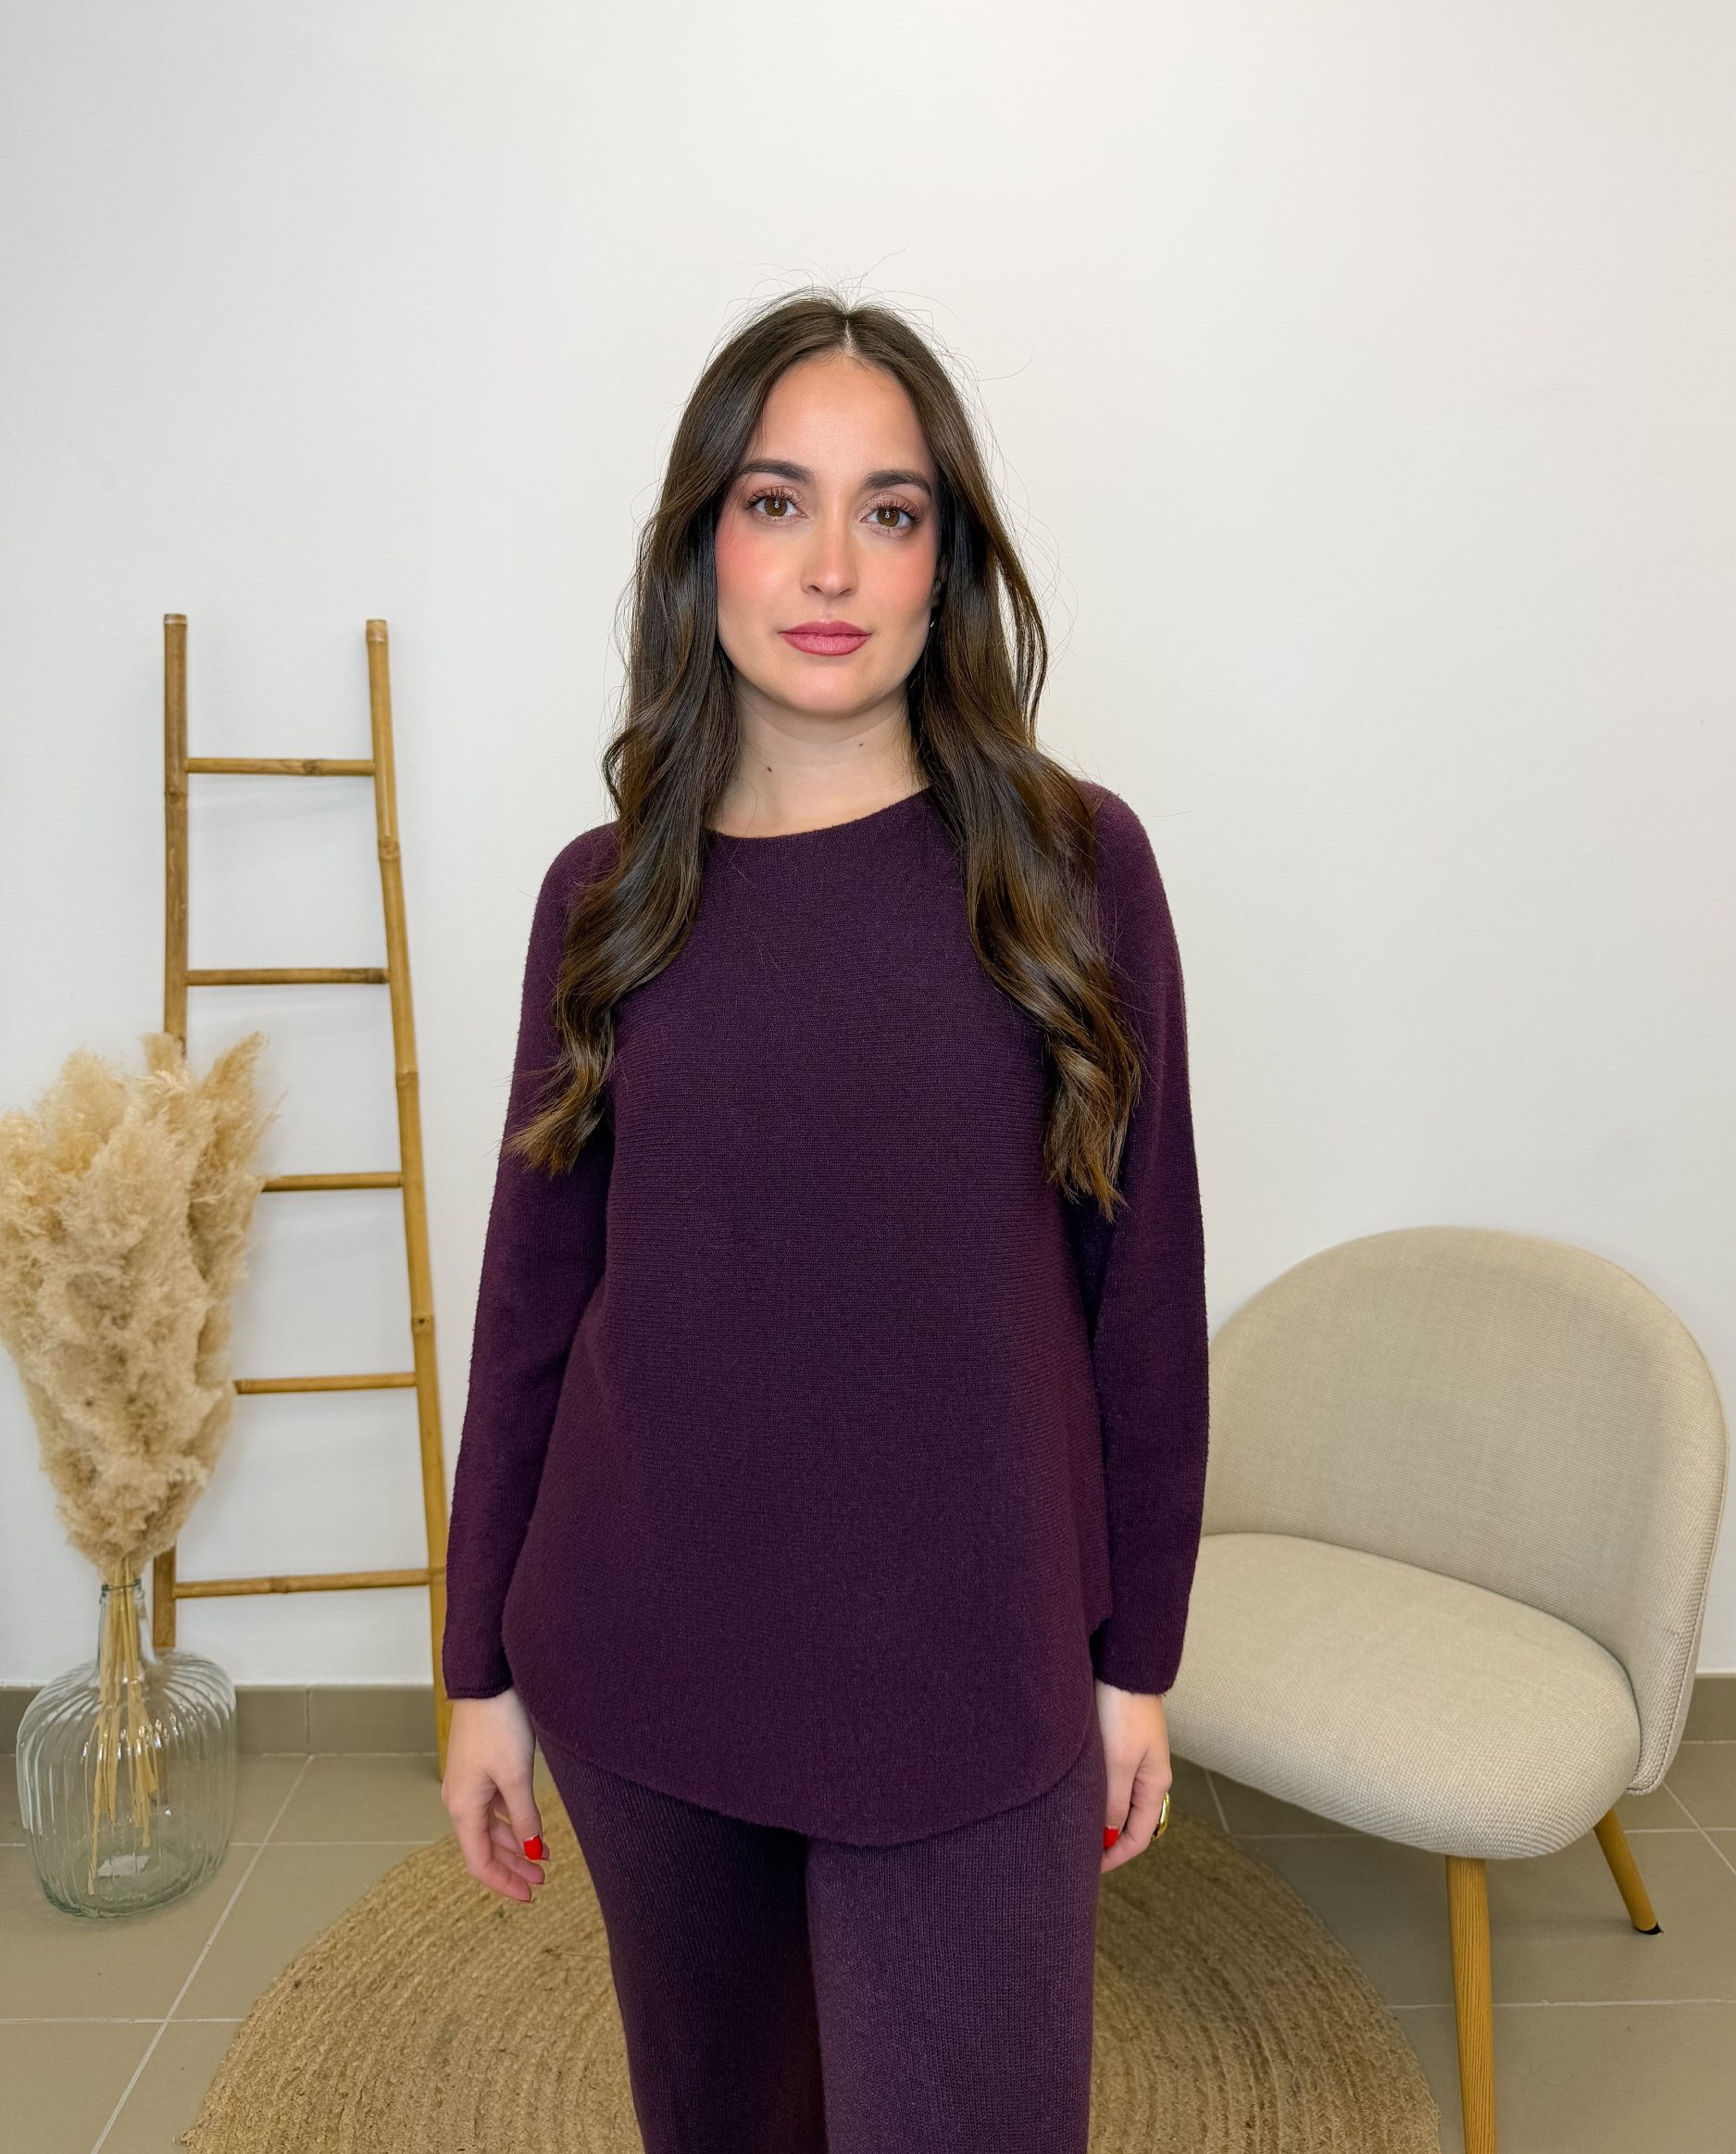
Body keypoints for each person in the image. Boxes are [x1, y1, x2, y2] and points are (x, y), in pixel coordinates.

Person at [438, 285, 1210, 2153]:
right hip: (645, 1654)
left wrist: (1138, 1660)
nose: (833, 564)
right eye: (777, 501)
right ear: (703, 544)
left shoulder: (1071, 867)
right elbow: (533, 1301)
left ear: (949, 563)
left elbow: (1142, 1289)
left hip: (971, 1675)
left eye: (893, 509)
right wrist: (478, 1671)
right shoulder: (604, 899)